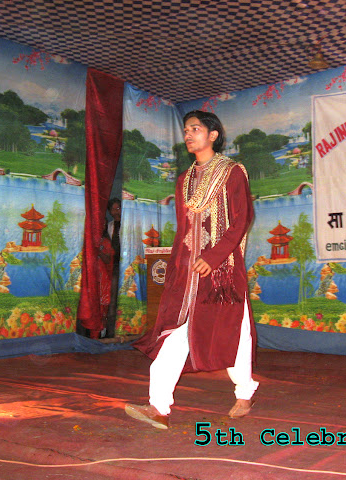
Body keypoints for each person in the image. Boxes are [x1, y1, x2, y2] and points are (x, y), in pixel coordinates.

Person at [126, 110, 258, 429]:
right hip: (189, 273)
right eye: (186, 130)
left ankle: (244, 393)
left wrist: (214, 257)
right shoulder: (184, 179)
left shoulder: (231, 172)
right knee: (177, 332)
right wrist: (178, 266)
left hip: (223, 271)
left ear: (213, 135)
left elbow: (242, 219)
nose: (188, 135)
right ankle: (158, 406)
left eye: (195, 129)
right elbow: (184, 227)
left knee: (235, 331)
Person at [104, 197, 122, 338]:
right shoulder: (109, 226)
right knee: (112, 298)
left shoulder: (128, 224)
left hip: (127, 265)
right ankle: (111, 332)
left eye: (118, 208)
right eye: (113, 209)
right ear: (109, 211)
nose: (116, 212)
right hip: (113, 267)